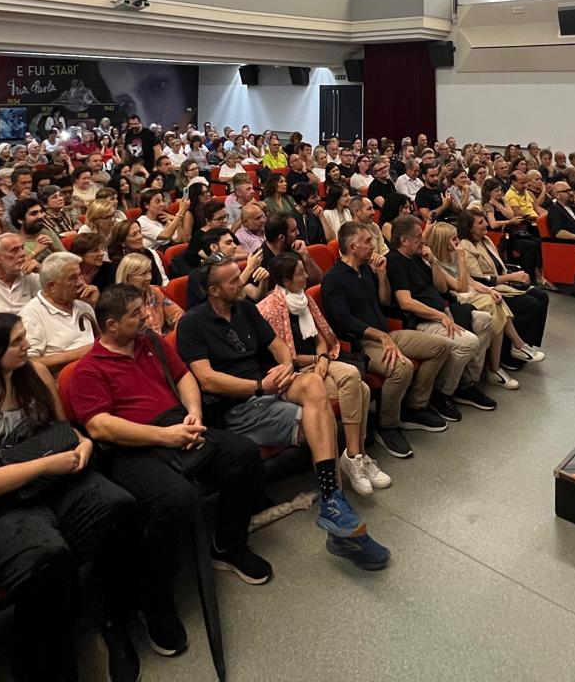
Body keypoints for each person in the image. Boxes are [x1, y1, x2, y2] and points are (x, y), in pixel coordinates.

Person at [65, 284, 273, 658]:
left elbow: (184, 378)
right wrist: (164, 436)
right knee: (175, 500)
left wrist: (192, 413)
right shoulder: (88, 370)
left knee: (243, 453)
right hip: (134, 448)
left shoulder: (153, 344)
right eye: (136, 314)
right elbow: (100, 427)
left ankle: (227, 544)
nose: (147, 316)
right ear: (111, 326)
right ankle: (155, 601)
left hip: (177, 427)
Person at [0, 313, 142, 682]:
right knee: (46, 558)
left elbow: (64, 429)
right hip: (2, 499)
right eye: (17, 342)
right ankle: (46, 666)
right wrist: (41, 467)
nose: (27, 346)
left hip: (57, 480)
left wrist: (82, 445)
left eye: (24, 338)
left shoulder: (35, 375)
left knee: (120, 508)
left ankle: (115, 618)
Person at [177, 259, 389, 570]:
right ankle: (339, 516)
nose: (243, 282)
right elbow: (207, 379)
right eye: (234, 280)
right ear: (213, 291)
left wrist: (286, 367)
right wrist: (259, 386)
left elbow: (277, 345)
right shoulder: (193, 324)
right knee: (323, 422)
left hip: (267, 389)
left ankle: (332, 499)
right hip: (237, 406)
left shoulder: (245, 309)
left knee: (313, 384)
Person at [257, 252, 391, 496]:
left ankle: (356, 456)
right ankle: (354, 455)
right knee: (357, 383)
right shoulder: (269, 309)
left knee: (361, 386)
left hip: (319, 362)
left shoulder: (303, 299)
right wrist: (318, 359)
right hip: (295, 372)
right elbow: (285, 357)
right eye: (300, 274)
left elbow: (322, 337)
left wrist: (324, 357)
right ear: (286, 281)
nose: (306, 276)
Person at [318, 221, 453, 459]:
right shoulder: (334, 278)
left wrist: (381, 276)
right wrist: (380, 336)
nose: (373, 245)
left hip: (388, 334)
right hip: (362, 342)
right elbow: (344, 322)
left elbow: (384, 302)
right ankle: (387, 425)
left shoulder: (367, 269)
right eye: (368, 241)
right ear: (352, 246)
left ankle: (414, 406)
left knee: (441, 347)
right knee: (402, 368)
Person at [386, 214, 497, 419]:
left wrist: (433, 261)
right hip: (421, 321)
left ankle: (465, 384)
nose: (423, 240)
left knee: (484, 321)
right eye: (419, 236)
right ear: (404, 240)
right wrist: (440, 316)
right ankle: (442, 393)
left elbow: (441, 287)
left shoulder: (419, 257)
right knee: (468, 342)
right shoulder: (394, 260)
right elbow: (405, 302)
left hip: (440, 311)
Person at [456, 210, 549, 367]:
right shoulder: (465, 247)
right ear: (469, 227)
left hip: (503, 282)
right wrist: (511, 278)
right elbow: (480, 279)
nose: (486, 224)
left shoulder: (485, 240)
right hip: (488, 288)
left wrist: (516, 275)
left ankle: (526, 344)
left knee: (541, 297)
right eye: (480, 222)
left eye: (484, 220)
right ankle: (510, 356)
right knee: (528, 303)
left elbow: (499, 266)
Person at [20, 251, 99, 371]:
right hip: (61, 380)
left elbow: (102, 342)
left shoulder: (84, 305)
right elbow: (28, 363)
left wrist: (94, 305)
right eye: (72, 278)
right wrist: (79, 354)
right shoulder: (32, 313)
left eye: (80, 276)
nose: (80, 283)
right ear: (51, 287)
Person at [115, 251, 183, 333]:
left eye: (149, 272)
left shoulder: (154, 292)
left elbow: (178, 315)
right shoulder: (118, 302)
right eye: (143, 274)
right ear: (127, 277)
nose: (149, 277)